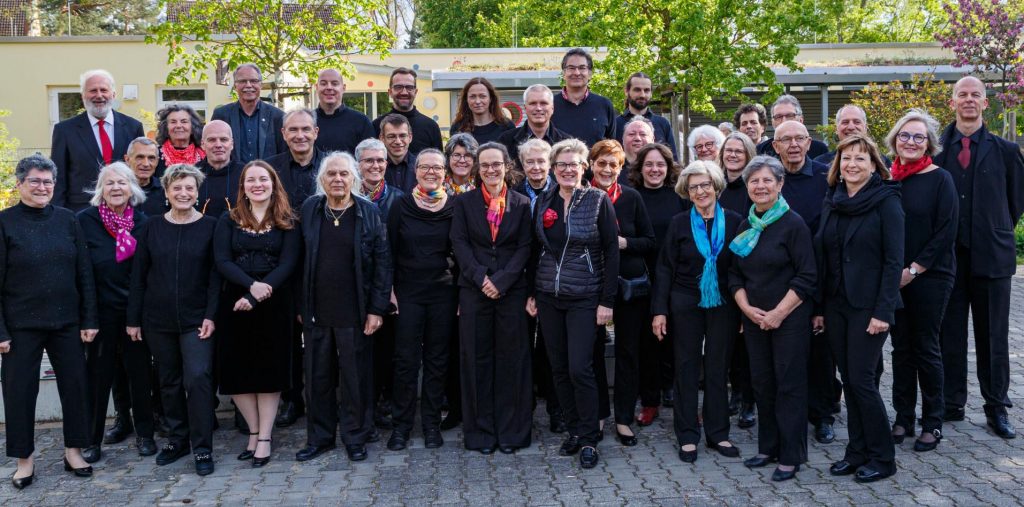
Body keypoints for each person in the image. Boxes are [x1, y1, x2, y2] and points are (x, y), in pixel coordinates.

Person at [0, 154, 98, 489]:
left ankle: (74, 451)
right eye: (35, 181)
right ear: (20, 184)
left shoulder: (68, 220)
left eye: (48, 181)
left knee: (75, 387)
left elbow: (84, 273)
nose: (43, 187)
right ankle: (24, 460)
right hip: (19, 326)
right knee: (18, 393)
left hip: (67, 322)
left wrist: (89, 318)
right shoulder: (4, 222)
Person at [935, 76, 1024, 439]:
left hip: (992, 258)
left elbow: (1016, 202)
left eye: (975, 95)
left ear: (986, 104)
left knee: (994, 336)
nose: (969, 100)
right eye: (962, 95)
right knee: (948, 334)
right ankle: (951, 402)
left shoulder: (1005, 150)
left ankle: (996, 406)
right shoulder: (937, 148)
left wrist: (993, 227)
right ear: (952, 102)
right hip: (947, 260)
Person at [814, 134, 903, 482]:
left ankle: (883, 458)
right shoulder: (833, 200)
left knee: (863, 381)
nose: (852, 164)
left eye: (860, 159)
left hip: (869, 308)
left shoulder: (887, 200)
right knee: (848, 381)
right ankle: (857, 452)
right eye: (846, 158)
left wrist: (884, 311)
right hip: (836, 305)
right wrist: (819, 307)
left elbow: (894, 260)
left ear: (873, 165)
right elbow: (824, 256)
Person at [528, 138, 619, 469]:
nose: (568, 170)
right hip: (549, 297)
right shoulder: (542, 201)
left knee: (581, 367)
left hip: (585, 296)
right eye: (561, 164)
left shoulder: (597, 200)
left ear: (585, 168)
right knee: (558, 367)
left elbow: (611, 250)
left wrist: (607, 301)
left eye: (574, 164)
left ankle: (590, 438)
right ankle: (573, 430)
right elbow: (533, 250)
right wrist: (531, 293)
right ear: (554, 169)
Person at [296, 152, 390, 463]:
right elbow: (299, 260)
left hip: (356, 311)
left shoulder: (368, 211)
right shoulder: (311, 209)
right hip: (317, 310)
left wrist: (377, 309)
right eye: (331, 175)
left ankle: (355, 436)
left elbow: (382, 263)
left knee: (354, 378)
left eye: (344, 174)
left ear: (354, 179)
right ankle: (320, 437)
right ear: (321, 180)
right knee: (318, 377)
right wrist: (300, 305)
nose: (338, 179)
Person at [127, 164, 220, 476]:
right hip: (158, 320)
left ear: (197, 192)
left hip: (197, 321)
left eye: (189, 188)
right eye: (177, 188)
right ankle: (177, 439)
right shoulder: (152, 226)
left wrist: (211, 315)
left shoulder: (210, 226)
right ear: (166, 192)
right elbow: (139, 277)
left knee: (198, 378)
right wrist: (134, 319)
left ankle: (203, 447)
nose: (183, 193)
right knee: (168, 381)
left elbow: (215, 278)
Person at [728, 155, 816, 482]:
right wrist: (747, 309)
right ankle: (768, 447)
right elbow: (734, 274)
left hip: (788, 318)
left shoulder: (793, 224)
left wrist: (778, 313)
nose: (760, 186)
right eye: (754, 181)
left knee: (789, 386)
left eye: (767, 180)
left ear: (780, 185)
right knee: (762, 384)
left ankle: (791, 456)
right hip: (754, 318)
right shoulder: (747, 224)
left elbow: (807, 276)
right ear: (747, 187)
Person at [652, 160, 742, 463]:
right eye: (694, 187)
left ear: (716, 187)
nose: (701, 191)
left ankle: (718, 433)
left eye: (705, 185)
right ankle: (688, 435)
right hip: (684, 300)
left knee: (718, 368)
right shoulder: (679, 223)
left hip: (724, 303)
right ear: (687, 193)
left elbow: (743, 267)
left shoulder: (735, 221)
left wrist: (744, 308)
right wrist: (659, 310)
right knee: (686, 367)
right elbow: (664, 268)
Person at [214, 160, 300, 468]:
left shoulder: (287, 219)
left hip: (276, 303)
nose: (258, 184)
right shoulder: (229, 219)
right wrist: (251, 287)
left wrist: (262, 290)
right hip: (235, 302)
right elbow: (222, 260)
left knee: (268, 373)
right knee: (237, 375)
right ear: (243, 187)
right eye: (251, 180)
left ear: (274, 183)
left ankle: (264, 437)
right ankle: (252, 430)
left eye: (263, 179)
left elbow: (289, 264)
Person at [449, 142, 533, 453]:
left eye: (496, 164)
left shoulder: (522, 203)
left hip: (511, 292)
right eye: (484, 165)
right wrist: (481, 277)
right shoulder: (464, 203)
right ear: (477, 169)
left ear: (506, 166)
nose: (490, 169)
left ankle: (512, 432)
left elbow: (525, 247)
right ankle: (481, 433)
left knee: (512, 361)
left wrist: (502, 281)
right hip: (474, 291)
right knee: (475, 361)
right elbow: (459, 243)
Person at [885, 109, 958, 452]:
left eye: (918, 137)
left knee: (926, 348)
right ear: (894, 140)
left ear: (929, 142)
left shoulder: (940, 178)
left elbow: (945, 233)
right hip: (893, 278)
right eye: (904, 135)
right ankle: (903, 417)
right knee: (901, 349)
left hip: (930, 275)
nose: (910, 142)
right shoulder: (889, 179)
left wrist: (912, 270)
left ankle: (933, 421)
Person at [79, 162, 155, 464]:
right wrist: (88, 317)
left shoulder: (143, 222)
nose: (116, 188)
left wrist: (138, 315)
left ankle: (146, 435)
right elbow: (82, 272)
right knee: (98, 379)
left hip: (134, 313)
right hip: (99, 314)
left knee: (140, 376)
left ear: (132, 188)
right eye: (109, 183)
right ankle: (92, 440)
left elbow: (146, 271)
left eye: (122, 182)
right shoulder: (84, 221)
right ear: (100, 189)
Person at [386, 149, 459, 451]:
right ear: (415, 171)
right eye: (425, 167)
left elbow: (461, 253)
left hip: (444, 293)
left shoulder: (455, 207)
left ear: (445, 173)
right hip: (407, 294)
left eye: (437, 168)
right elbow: (387, 250)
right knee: (405, 362)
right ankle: (401, 426)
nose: (431, 172)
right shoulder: (400, 206)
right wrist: (389, 291)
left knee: (437, 361)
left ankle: (431, 424)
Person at [773, 120, 838, 444]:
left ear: (810, 143)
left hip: (818, 280)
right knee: (789, 355)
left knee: (820, 353)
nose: (794, 145)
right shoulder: (772, 181)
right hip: (778, 282)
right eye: (786, 140)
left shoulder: (827, 180)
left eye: (800, 138)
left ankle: (823, 415)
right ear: (776, 146)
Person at [589, 140, 656, 446]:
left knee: (629, 353)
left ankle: (625, 418)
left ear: (621, 168)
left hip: (629, 289)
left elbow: (650, 240)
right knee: (592, 353)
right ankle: (600, 414)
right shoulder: (581, 196)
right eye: (601, 163)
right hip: (590, 288)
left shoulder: (631, 198)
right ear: (591, 165)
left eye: (612, 164)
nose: (606, 169)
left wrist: (624, 243)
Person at [266, 108, 327, 427]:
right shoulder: (271, 169)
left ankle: (324, 399)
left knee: (324, 336)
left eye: (306, 129)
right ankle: (292, 400)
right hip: (284, 264)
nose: (300, 135)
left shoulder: (332, 166)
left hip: (326, 262)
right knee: (288, 337)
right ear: (283, 134)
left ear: (316, 132)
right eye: (293, 130)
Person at [510, 138, 565, 433]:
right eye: (529, 161)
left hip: (553, 281)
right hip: (520, 282)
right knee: (521, 347)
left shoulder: (562, 194)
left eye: (541, 161)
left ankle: (557, 409)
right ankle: (525, 409)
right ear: (522, 164)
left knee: (551, 348)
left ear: (550, 164)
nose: (535, 166)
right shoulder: (513, 194)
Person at [630, 142, 687, 419]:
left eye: (660, 164)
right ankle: (650, 400)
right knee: (647, 342)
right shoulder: (631, 196)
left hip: (676, 279)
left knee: (676, 339)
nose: (655, 169)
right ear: (640, 168)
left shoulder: (679, 197)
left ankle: (675, 394)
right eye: (649, 164)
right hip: (643, 278)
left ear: (669, 168)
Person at [355, 138, 404, 431]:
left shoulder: (398, 198)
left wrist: (393, 289)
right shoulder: (345, 195)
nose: (375, 166)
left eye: (380, 160)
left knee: (387, 350)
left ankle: (384, 403)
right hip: (356, 286)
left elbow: (401, 247)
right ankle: (362, 406)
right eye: (368, 161)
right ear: (358, 164)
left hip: (390, 286)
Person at [51, 69, 145, 211]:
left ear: (113, 94)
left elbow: (140, 172)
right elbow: (58, 179)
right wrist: (58, 215)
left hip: (125, 211)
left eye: (104, 90)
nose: (99, 95)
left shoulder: (133, 127)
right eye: (93, 90)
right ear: (83, 96)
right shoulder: (64, 131)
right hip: (81, 212)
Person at [716, 131, 757, 429]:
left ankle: (749, 401)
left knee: (748, 345)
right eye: (728, 150)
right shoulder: (716, 186)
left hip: (747, 274)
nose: (732, 155)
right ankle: (735, 393)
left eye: (738, 151)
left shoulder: (752, 187)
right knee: (728, 342)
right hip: (720, 275)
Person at [211, 63, 286, 163]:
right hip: (232, 177)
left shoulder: (278, 116)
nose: (248, 85)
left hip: (267, 177)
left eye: (253, 81)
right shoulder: (221, 115)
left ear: (261, 85)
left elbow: (284, 154)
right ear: (235, 86)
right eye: (242, 81)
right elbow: (212, 149)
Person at [552, 48, 616, 146]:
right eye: (571, 68)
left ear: (590, 74)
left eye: (582, 68)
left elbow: (612, 147)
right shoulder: (550, 105)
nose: (577, 73)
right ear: (564, 73)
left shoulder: (604, 105)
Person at [498, 85, 571, 171]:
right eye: (533, 103)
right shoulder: (506, 141)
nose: (538, 108)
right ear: (525, 108)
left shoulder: (566, 143)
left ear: (552, 108)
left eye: (543, 103)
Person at [372, 67, 443, 153]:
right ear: (390, 92)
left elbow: (439, 163)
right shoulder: (376, 126)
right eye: (398, 87)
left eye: (409, 87)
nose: (404, 92)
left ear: (415, 92)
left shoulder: (431, 126)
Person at [613, 72, 678, 158]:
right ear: (626, 91)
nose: (642, 95)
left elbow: (673, 161)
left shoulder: (662, 124)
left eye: (646, 90)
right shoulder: (615, 124)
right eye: (637, 90)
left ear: (651, 93)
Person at [314, 68, 375, 155]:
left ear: (343, 88)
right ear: (317, 87)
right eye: (323, 83)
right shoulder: (307, 122)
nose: (329, 87)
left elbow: (370, 157)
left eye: (334, 84)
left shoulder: (361, 122)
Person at [756, 95, 828, 160]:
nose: (784, 121)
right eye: (778, 117)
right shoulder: (761, 150)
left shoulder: (819, 149)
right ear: (772, 122)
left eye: (789, 116)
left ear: (801, 120)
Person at [196, 120, 244, 217]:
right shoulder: (191, 175)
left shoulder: (246, 174)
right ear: (202, 144)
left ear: (232, 144)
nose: (218, 145)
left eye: (224, 139)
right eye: (212, 140)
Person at [450, 77, 514, 145]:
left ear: (491, 99)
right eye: (473, 96)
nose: (477, 101)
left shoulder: (507, 126)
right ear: (466, 100)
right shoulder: (458, 128)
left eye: (482, 96)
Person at [154, 104, 205, 177]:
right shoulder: (155, 155)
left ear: (193, 127)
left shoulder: (204, 155)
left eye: (184, 121)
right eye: (173, 122)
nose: (178, 126)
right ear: (166, 127)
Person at [126, 137, 170, 217]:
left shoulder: (166, 189)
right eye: (140, 157)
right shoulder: (117, 189)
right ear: (127, 160)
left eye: (151, 158)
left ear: (157, 161)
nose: (146, 164)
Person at [379, 114, 418, 193]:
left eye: (402, 136)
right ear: (382, 138)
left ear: (410, 137)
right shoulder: (375, 168)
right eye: (391, 136)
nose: (398, 141)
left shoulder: (421, 166)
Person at [619, 118, 656, 185]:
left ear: (653, 139)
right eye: (631, 134)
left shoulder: (660, 170)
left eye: (643, 134)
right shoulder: (614, 169)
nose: (637, 138)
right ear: (623, 139)